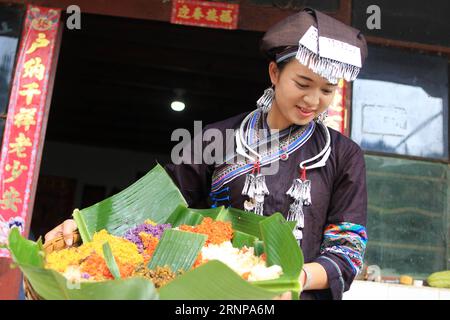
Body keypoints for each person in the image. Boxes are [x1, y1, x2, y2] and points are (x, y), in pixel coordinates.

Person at [45, 7, 368, 300]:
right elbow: (158, 204)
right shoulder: (216, 138)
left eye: (327, 90)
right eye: (303, 83)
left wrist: (293, 279)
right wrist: (82, 226)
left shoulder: (343, 156)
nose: (313, 100)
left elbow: (348, 250)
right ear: (274, 73)